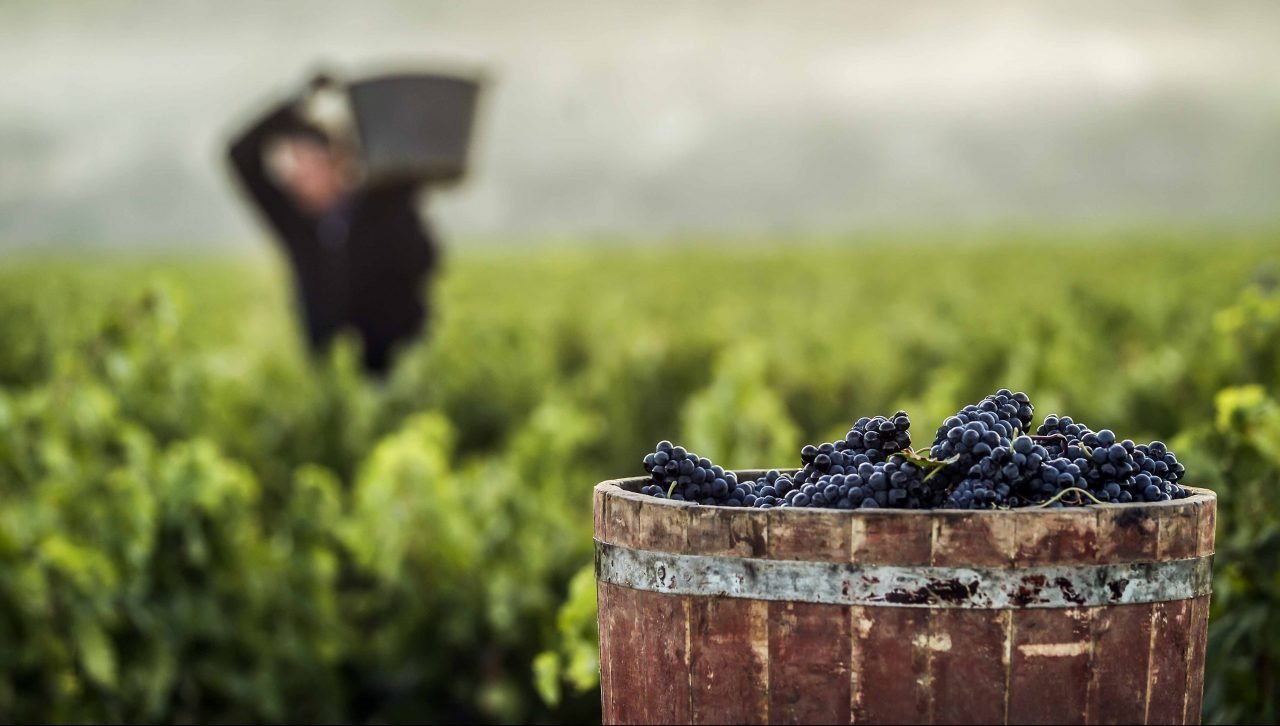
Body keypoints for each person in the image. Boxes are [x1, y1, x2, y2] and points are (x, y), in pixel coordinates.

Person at [226, 75, 440, 375]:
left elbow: (427, 261)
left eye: (308, 164)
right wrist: (297, 101)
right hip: (330, 379)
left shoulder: (383, 206)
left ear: (338, 163)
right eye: (292, 167)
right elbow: (239, 154)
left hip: (397, 372)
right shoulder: (296, 224)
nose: (297, 178)